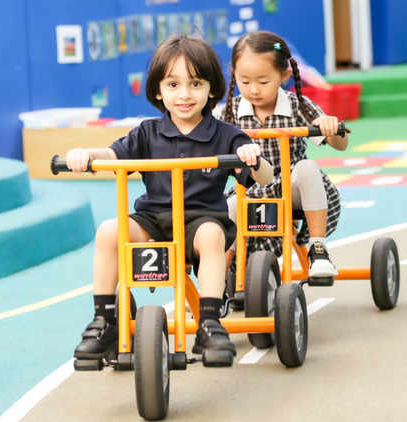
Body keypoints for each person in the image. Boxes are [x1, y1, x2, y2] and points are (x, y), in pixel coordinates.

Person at [66, 33, 273, 364]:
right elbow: (111, 155)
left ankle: (209, 323)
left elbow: (265, 177)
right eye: (173, 85)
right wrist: (83, 154)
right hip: (154, 220)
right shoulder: (148, 132)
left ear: (212, 89)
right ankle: (104, 320)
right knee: (108, 230)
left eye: (195, 83)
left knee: (212, 235)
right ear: (158, 91)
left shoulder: (226, 135)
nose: (184, 95)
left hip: (199, 221)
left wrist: (253, 157)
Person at [221, 31, 348, 278]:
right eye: (244, 81)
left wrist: (331, 127)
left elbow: (340, 145)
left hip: (293, 186)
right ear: (234, 75)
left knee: (307, 167)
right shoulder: (230, 110)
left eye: (263, 81)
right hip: (250, 189)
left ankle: (318, 248)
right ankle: (217, 283)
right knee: (228, 207)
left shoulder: (296, 104)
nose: (254, 90)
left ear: (284, 75)